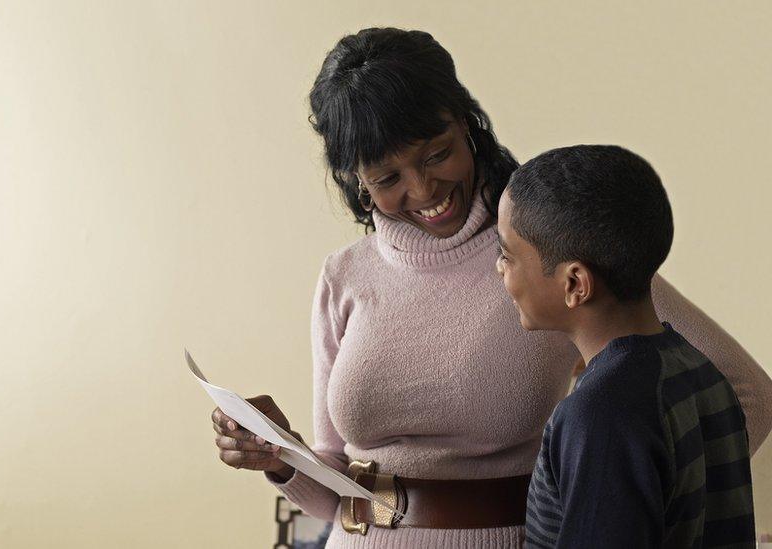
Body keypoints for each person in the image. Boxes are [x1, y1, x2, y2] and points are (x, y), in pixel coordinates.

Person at [209, 28, 772, 547]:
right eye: (387, 178)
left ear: (468, 125)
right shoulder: (343, 276)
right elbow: (337, 490)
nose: (425, 187)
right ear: (355, 181)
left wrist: (630, 505)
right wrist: (280, 458)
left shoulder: (545, 253)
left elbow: (746, 395)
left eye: (438, 153)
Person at [496, 145, 754, 548]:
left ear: (574, 284)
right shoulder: (700, 373)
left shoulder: (601, 414)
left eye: (508, 255)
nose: (500, 268)